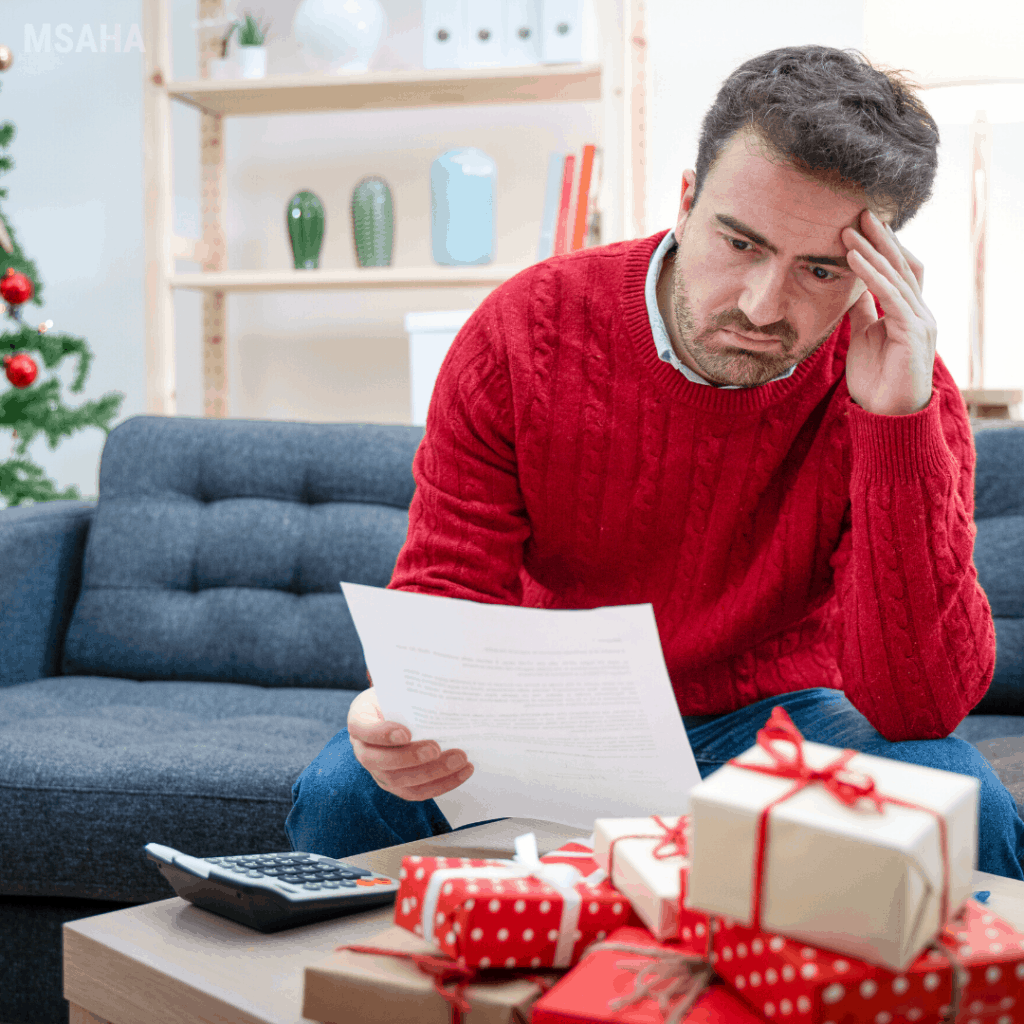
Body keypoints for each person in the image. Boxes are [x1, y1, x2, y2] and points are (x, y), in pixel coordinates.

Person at [286, 44, 1024, 879]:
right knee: (348, 789)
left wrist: (894, 424)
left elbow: (918, 705)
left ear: (878, 273)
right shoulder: (524, 330)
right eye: (740, 243)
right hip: (547, 722)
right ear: (684, 202)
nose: (760, 305)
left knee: (959, 795)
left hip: (779, 728)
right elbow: (446, 597)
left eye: (820, 269)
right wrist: (400, 709)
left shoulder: (904, 390)